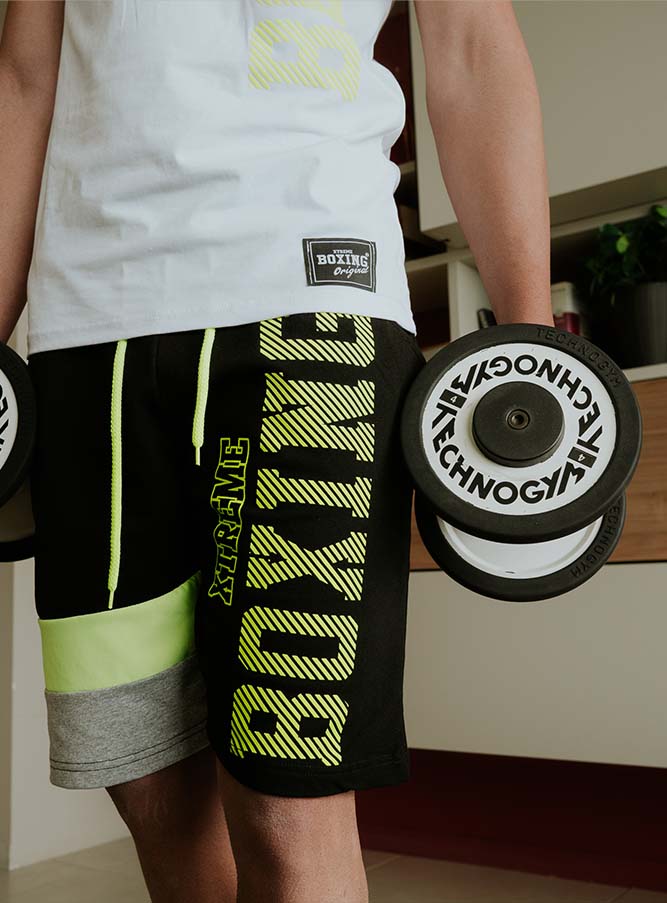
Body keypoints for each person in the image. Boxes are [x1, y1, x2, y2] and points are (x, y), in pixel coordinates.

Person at [0, 1, 554, 901]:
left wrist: (530, 349)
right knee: (145, 778)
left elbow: (470, 49)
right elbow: (26, 79)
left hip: (310, 304)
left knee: (287, 799)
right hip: (87, 329)